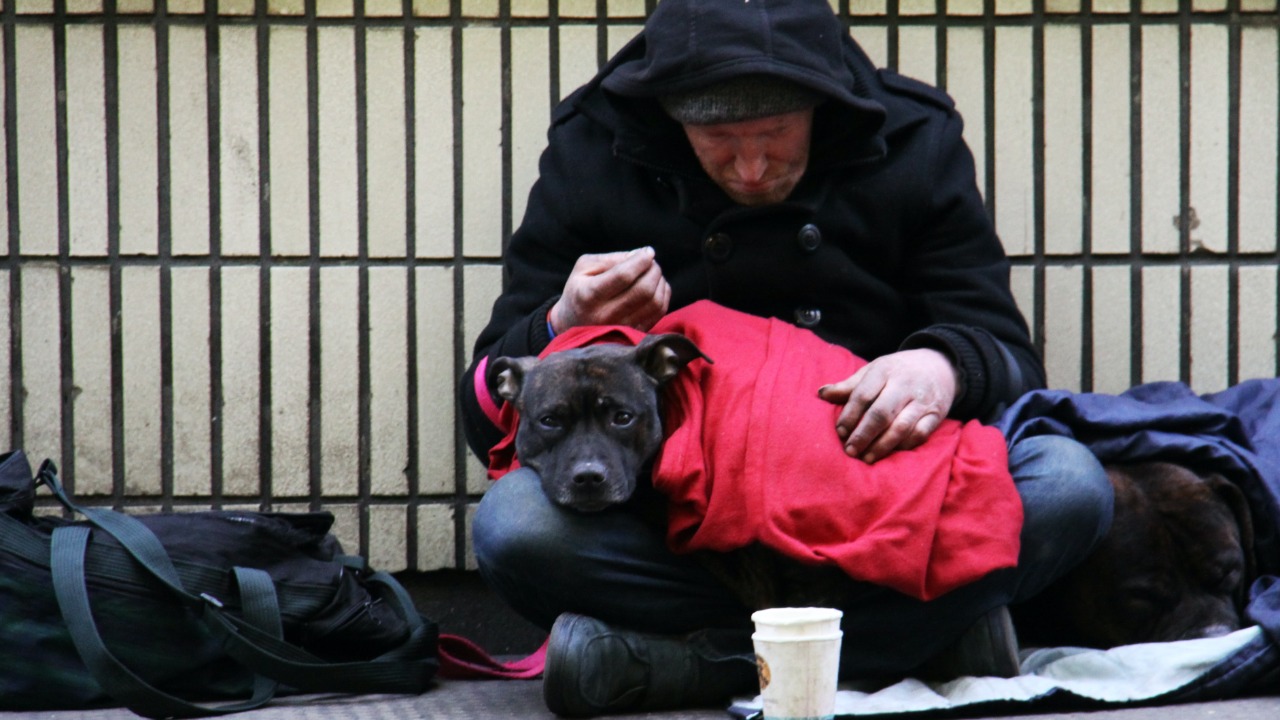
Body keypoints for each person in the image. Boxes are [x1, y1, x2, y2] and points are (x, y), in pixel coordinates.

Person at [459, 0, 1114, 716]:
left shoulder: (914, 138)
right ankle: (916, 642)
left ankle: (681, 665)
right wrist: (564, 320)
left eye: (774, 133)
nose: (749, 165)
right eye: (716, 136)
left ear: (821, 108)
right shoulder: (597, 144)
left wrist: (939, 366)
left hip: (875, 488)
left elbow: (1005, 351)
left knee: (1070, 483)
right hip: (679, 519)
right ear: (673, 118)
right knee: (514, 526)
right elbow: (490, 400)